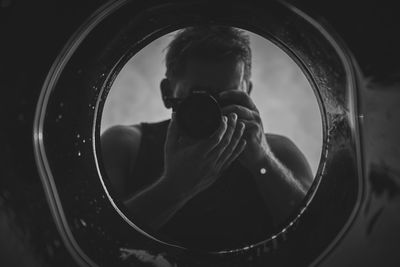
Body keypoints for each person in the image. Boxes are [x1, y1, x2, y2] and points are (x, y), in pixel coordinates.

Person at [101, 26, 313, 249]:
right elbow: (96, 236)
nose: (212, 110)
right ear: (167, 92)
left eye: (226, 96)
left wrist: (263, 161)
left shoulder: (278, 152)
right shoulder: (124, 146)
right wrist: (176, 186)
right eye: (200, 96)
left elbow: (318, 234)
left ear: (246, 93)